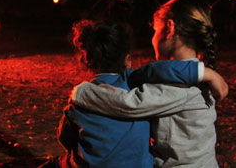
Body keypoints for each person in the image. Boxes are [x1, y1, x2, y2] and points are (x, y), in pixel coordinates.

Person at [39, 19, 226, 168]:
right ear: (128, 60)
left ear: (85, 61)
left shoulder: (80, 100)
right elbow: (163, 69)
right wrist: (204, 72)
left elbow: (65, 138)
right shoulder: (137, 83)